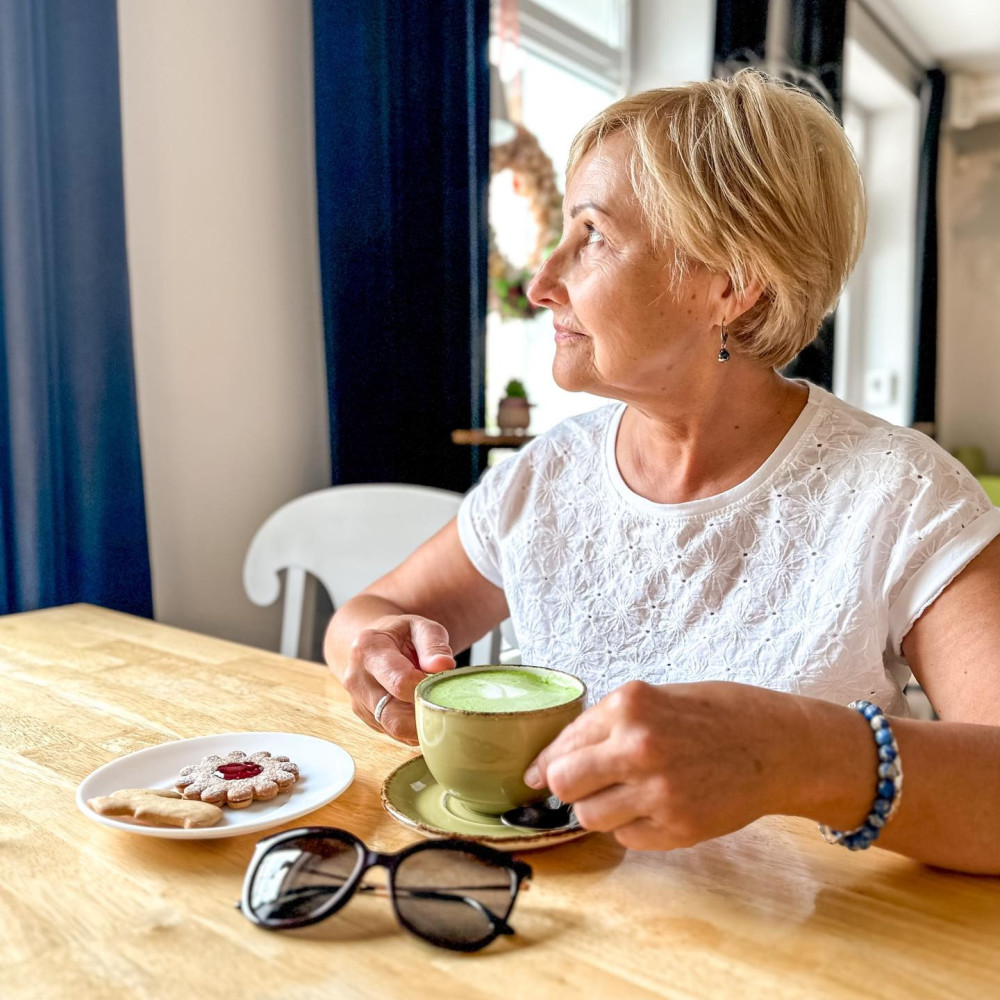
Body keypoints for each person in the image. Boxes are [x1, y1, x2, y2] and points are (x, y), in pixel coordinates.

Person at [325, 70, 1000, 874]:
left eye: (594, 236)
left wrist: (792, 753)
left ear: (732, 284)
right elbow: (373, 611)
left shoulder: (904, 496)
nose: (542, 285)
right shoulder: (546, 477)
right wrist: (373, 648)